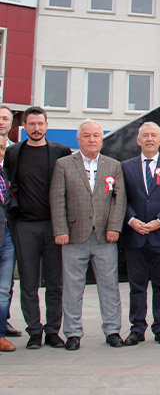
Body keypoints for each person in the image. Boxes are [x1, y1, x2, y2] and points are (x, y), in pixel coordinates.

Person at [49, 120, 127, 350]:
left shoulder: (113, 165)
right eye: (87, 135)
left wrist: (115, 227)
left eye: (96, 135)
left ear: (101, 139)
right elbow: (57, 199)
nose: (92, 139)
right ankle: (73, 333)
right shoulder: (64, 165)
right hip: (74, 236)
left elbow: (119, 199)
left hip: (105, 237)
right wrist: (61, 230)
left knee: (109, 286)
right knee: (73, 287)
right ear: (78, 139)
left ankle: (112, 330)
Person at [4, 106, 71, 349]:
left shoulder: (60, 152)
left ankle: (53, 331)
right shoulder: (14, 153)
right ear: (24, 127)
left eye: (40, 124)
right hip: (24, 226)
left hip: (54, 226)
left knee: (55, 283)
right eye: (31, 125)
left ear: (46, 125)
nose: (36, 129)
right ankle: (34, 331)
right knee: (29, 283)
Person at [121, 122, 160, 346]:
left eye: (153, 135)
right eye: (145, 135)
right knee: (136, 285)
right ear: (138, 140)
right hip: (135, 235)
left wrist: (159, 221)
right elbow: (121, 198)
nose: (149, 139)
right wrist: (131, 220)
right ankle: (137, 328)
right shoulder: (126, 167)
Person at [0, 105, 20, 338]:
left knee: (6, 284)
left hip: (9, 224)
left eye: (5, 118)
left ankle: (3, 322)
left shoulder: (16, 151)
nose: (2, 122)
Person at [0, 138, 15, 351]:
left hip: (7, 236)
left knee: (3, 290)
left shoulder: (5, 173)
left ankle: (0, 335)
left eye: (2, 148)